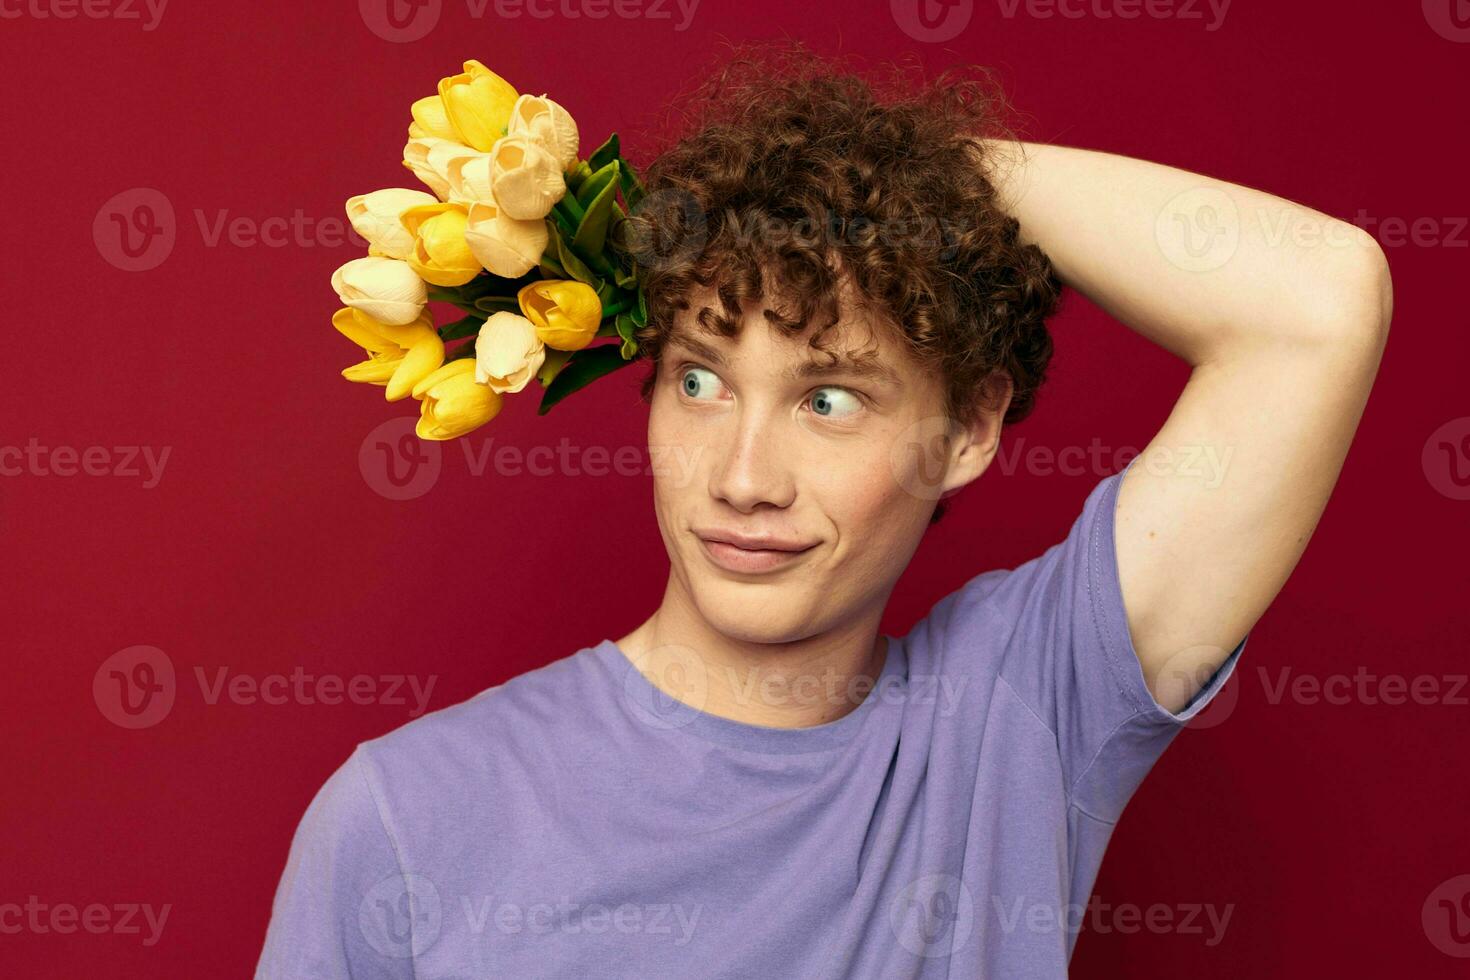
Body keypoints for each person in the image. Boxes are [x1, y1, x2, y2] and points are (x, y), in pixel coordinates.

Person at [256, 43, 1390, 978]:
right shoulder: (403, 817)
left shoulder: (1018, 719)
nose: (744, 475)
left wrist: (908, 175)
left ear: (969, 431)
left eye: (829, 397)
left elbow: (1319, 301)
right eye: (700, 380)